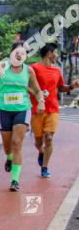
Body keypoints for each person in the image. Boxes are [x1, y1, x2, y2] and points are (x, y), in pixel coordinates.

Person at [0, 42, 45, 191]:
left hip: (22, 109)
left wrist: (41, 102)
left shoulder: (29, 71)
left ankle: (14, 180)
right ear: (12, 53)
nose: (19, 55)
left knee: (17, 143)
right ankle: (9, 157)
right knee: (8, 147)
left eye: (23, 52)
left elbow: (37, 90)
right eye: (17, 52)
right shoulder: (2, 66)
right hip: (4, 111)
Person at [30, 43, 79, 178]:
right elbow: (26, 86)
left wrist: (71, 87)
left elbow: (61, 88)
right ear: (49, 53)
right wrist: (36, 94)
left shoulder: (57, 70)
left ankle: (45, 167)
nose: (56, 55)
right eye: (55, 52)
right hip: (37, 109)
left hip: (52, 108)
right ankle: (41, 151)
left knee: (49, 138)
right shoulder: (34, 68)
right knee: (39, 141)